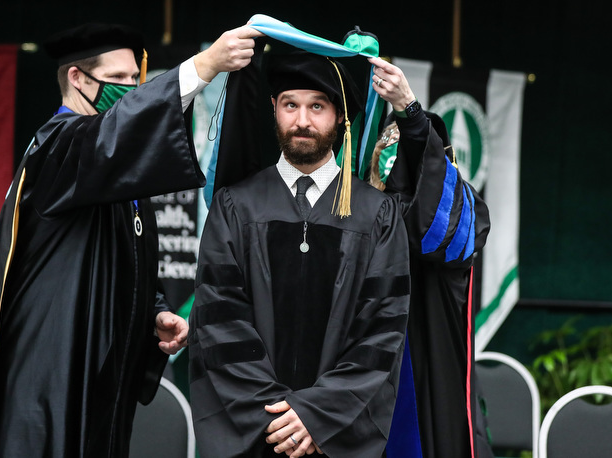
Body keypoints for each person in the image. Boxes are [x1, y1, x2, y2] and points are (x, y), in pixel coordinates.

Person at [0, 22, 263, 457]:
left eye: (135, 80)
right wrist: (204, 66)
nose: (131, 90)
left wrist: (152, 313)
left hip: (98, 376)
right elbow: (118, 132)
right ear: (78, 79)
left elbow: (116, 264)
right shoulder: (58, 145)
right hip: (49, 377)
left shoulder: (112, 174)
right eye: (118, 79)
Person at [188, 51, 410, 458]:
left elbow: (381, 331)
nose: (302, 121)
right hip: (256, 431)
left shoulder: (375, 214)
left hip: (335, 434)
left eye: (317, 106)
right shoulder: (236, 206)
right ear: (273, 108)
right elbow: (219, 320)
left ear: (340, 118)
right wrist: (279, 417)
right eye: (291, 104)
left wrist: (316, 414)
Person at [366, 56, 494, 458]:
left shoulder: (458, 210)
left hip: (424, 376)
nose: (394, 167)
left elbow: (428, 214)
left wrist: (411, 114)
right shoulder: (347, 213)